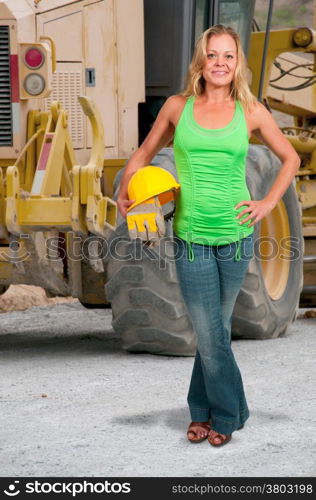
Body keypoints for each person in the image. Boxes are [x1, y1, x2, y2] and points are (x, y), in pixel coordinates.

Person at [117, 24, 300, 447]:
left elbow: (289, 158)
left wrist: (268, 203)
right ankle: (230, 415)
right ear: (201, 61)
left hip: (237, 235)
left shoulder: (250, 111)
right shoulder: (177, 108)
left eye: (228, 56)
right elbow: (144, 154)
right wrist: (126, 191)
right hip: (192, 234)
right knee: (209, 330)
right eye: (213, 55)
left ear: (238, 65)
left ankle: (201, 413)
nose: (220, 63)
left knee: (214, 329)